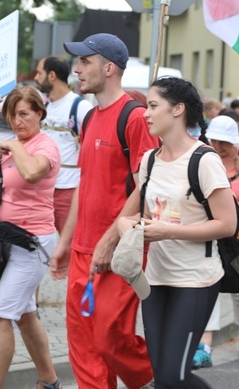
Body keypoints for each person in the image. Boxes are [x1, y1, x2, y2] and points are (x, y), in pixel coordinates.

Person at [50, 33, 157, 389]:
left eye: (85, 62)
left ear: (108, 68)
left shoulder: (136, 116)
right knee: (82, 345)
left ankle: (163, 377)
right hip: (83, 248)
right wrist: (65, 241)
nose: (76, 69)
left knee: (109, 339)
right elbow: (85, 183)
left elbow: (148, 184)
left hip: (119, 251)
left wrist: (110, 239)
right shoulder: (91, 117)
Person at [115, 77, 237, 387]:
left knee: (172, 376)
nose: (145, 113)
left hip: (195, 280)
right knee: (164, 378)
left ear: (178, 110)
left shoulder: (204, 160)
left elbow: (227, 224)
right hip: (154, 279)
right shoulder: (149, 161)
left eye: (153, 106)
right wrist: (128, 227)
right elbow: (133, 216)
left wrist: (167, 232)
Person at [0, 87, 62, 388]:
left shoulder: (45, 146)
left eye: (24, 114)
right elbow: (6, 188)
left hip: (33, 244)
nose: (17, 121)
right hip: (10, 242)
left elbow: (30, 174)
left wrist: (13, 147)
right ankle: (49, 381)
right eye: (12, 116)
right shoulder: (14, 147)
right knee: (26, 317)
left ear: (40, 113)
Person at [193, 115, 239, 366]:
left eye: (224, 142)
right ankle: (204, 347)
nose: (219, 146)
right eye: (215, 140)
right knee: (207, 286)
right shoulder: (205, 159)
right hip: (211, 234)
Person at [34, 56, 93, 234]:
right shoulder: (43, 107)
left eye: (39, 73)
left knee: (69, 244)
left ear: (51, 75)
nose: (35, 77)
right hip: (43, 188)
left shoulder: (81, 107)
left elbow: (91, 150)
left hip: (68, 189)